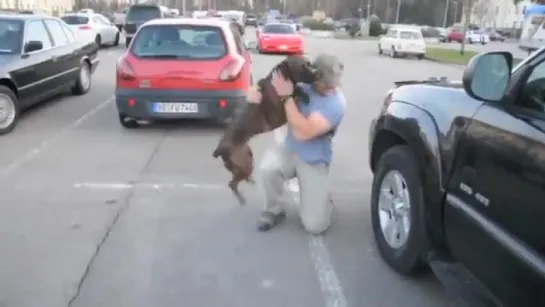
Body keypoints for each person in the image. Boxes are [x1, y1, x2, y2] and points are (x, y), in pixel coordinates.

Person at [246, 54, 346, 234]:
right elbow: (267, 83)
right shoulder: (303, 85)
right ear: (314, 76)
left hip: (314, 159)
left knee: (315, 226)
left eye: (334, 83)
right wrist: (254, 90)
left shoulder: (335, 103)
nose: (332, 88)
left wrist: (286, 98)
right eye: (327, 83)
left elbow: (303, 132)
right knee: (268, 167)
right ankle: (273, 210)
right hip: (290, 150)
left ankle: (323, 200)